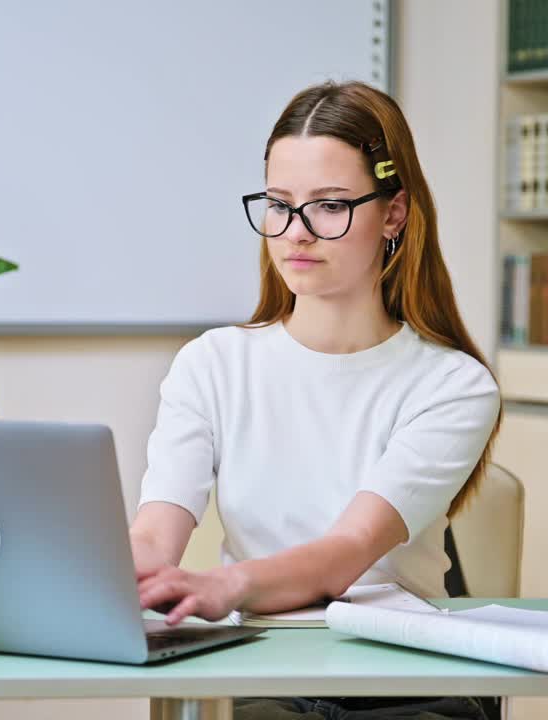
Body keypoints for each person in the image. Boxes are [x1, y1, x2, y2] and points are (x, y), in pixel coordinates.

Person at [130, 79, 502, 719]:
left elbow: (346, 555)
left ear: (393, 212)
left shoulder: (454, 385)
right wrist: (98, 577)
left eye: (329, 206)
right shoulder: (211, 364)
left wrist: (227, 585)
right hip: (264, 667)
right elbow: (154, 536)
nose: (295, 232)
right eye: (278, 203)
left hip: (401, 685)